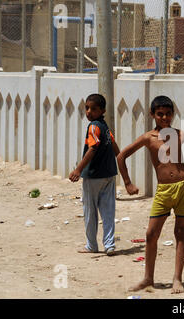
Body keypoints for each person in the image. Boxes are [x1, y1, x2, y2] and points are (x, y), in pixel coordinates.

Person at [116, 95, 184, 294]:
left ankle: (177, 279)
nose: (165, 118)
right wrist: (127, 183)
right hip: (164, 190)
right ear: (152, 115)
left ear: (173, 115)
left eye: (168, 114)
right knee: (151, 234)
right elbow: (121, 156)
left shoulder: (179, 135)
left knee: (181, 232)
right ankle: (148, 279)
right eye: (160, 114)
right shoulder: (148, 138)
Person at [69, 93, 120, 256]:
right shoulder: (105, 127)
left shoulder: (93, 127)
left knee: (90, 211)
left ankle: (91, 245)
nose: (89, 112)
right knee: (108, 211)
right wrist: (122, 170)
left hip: (93, 175)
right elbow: (115, 147)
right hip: (109, 174)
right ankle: (109, 245)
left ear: (102, 110)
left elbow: (93, 148)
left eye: (93, 109)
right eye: (87, 108)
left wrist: (78, 169)